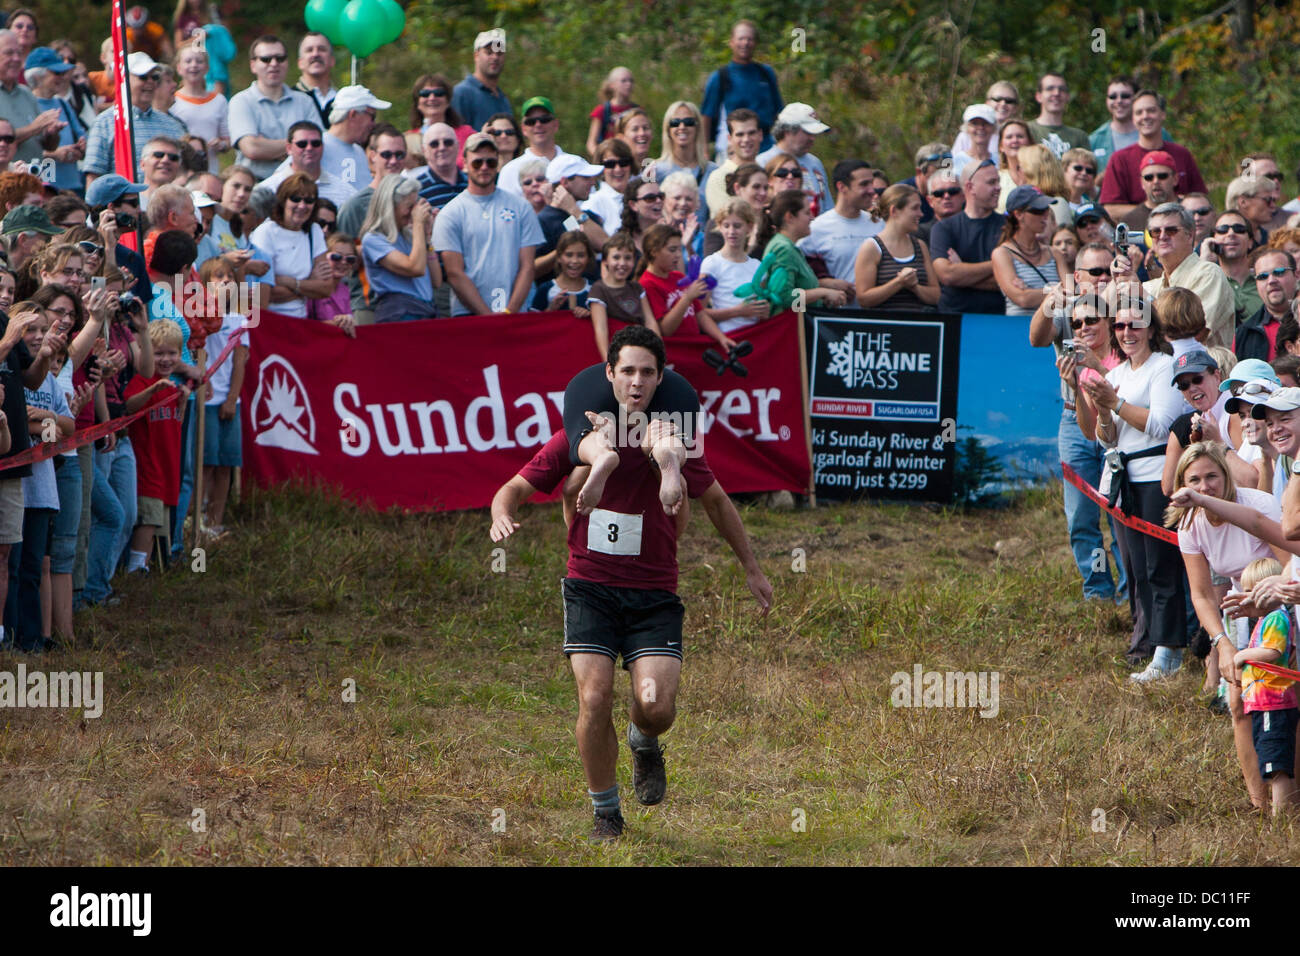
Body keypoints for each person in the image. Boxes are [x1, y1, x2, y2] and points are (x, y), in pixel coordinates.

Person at [488, 325, 772, 840]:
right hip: (590, 586)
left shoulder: (675, 432)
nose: (636, 381)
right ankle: (606, 813)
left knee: (656, 706)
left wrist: (751, 566)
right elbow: (511, 487)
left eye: (646, 372)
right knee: (595, 698)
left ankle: (644, 740)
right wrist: (500, 516)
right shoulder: (575, 434)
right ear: (610, 376)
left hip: (653, 593)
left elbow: (717, 503)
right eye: (627, 372)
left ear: (659, 378)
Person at [1166, 455, 1298, 811]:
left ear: (1226, 477)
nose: (1204, 485)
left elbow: (1289, 561)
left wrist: (1278, 610)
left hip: (1281, 604)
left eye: (1212, 476)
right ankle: (1259, 805)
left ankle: (1288, 800)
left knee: (1286, 698)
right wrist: (1221, 643)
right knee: (1239, 702)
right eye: (1194, 480)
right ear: (1183, 484)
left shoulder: (1256, 504)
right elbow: (1202, 593)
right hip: (1241, 610)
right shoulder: (1189, 524)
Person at [1076, 285, 1186, 677]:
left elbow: (1161, 425)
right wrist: (1105, 409)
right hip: (1124, 479)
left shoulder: (1163, 366)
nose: (1126, 332)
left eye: (1135, 324)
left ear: (1151, 328)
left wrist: (1115, 402)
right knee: (1137, 570)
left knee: (1161, 567)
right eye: (1120, 325)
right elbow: (1107, 436)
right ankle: (1154, 645)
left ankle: (1169, 650)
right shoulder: (1118, 372)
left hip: (1157, 476)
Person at [1030, 254, 1128, 602]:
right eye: (1096, 270)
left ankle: (1130, 593)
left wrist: (1128, 282)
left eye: (1108, 270)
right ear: (1077, 275)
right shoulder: (1068, 308)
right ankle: (1097, 592)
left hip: (1118, 422)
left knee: (1120, 514)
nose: (1104, 276)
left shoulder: (1127, 316)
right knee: (1081, 517)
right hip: (1074, 417)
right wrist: (1049, 302)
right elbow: (1037, 338)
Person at [433, 132, 542, 316]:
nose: (484, 167)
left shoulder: (521, 207)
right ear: (465, 164)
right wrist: (487, 317)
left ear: (497, 164)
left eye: (490, 162)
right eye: (477, 162)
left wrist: (510, 311)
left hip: (514, 313)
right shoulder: (450, 213)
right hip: (467, 314)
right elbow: (454, 273)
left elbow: (527, 266)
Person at [1116, 203, 1235, 349]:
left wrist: (1144, 297)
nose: (1162, 236)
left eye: (1171, 230)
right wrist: (1117, 278)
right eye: (1155, 232)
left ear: (1190, 234)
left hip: (1204, 369)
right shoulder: (1149, 287)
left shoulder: (1209, 274)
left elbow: (1194, 336)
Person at [122, 317, 188, 573]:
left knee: (157, 523)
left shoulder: (175, 388)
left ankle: (145, 567)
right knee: (146, 523)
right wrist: (153, 390)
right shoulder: (143, 381)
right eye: (159, 353)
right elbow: (129, 406)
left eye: (172, 353)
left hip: (166, 468)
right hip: (146, 468)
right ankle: (135, 570)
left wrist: (181, 398)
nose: (165, 359)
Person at [196, 260, 246, 537]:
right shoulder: (200, 317)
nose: (226, 281)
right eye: (218, 277)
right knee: (206, 462)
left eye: (230, 277)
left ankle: (215, 521)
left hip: (229, 401)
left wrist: (232, 399)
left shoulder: (239, 318)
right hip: (206, 401)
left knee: (226, 463)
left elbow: (240, 363)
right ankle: (197, 521)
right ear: (204, 285)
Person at [1099, 90, 1207, 220]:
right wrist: (1154, 210)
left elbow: (1201, 201)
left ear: (1162, 114)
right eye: (1139, 112)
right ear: (1133, 119)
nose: (1145, 116)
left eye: (1151, 110)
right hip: (1138, 232)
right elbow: (1111, 209)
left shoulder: (1182, 154)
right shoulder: (1120, 159)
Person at [83, 52, 187, 184]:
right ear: (123, 79)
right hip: (122, 202)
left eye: (154, 77)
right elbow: (93, 175)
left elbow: (184, 171)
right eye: (143, 77)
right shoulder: (105, 122)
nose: (150, 82)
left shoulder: (171, 124)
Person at [227, 35, 319, 181]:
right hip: (255, 187)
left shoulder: (305, 102)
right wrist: (297, 146)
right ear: (253, 65)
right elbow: (252, 149)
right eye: (266, 59)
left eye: (280, 58)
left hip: (298, 187)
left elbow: (317, 146)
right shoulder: (241, 101)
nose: (274, 63)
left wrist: (267, 145)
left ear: (287, 62)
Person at [742, 191, 848, 313]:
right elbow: (784, 297)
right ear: (789, 217)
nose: (812, 218)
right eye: (807, 213)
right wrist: (822, 292)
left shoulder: (790, 247)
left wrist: (821, 299)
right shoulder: (783, 248)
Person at [636, 223, 734, 350]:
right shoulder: (647, 283)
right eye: (672, 250)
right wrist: (687, 298)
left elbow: (700, 314)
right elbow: (665, 330)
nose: (678, 254)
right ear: (654, 252)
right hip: (676, 352)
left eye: (679, 249)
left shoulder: (677, 276)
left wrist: (721, 338)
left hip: (694, 347)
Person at [358, 174, 440, 323]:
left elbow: (437, 281)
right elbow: (415, 268)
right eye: (410, 207)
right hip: (399, 313)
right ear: (390, 206)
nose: (414, 212)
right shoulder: (373, 239)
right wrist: (418, 225)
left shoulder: (410, 235)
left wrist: (427, 238)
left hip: (426, 309)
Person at [250, 173, 331, 318]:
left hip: (300, 321)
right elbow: (265, 293)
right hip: (269, 319)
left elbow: (325, 288)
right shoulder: (266, 232)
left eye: (309, 200)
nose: (302, 206)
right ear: (282, 201)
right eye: (295, 199)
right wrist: (309, 284)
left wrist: (289, 282)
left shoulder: (314, 231)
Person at [930, 159, 1005, 314]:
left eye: (998, 182)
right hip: (955, 320)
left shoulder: (1008, 226)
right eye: (991, 183)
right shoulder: (944, 228)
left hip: (997, 320)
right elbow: (947, 275)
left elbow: (1012, 281)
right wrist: (999, 263)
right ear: (970, 187)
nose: (998, 188)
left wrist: (962, 272)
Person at [700, 20, 783, 156]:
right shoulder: (720, 77)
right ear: (731, 42)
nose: (745, 43)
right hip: (733, 147)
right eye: (741, 38)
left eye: (749, 39)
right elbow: (706, 116)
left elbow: (778, 111)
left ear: (755, 43)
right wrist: (704, 150)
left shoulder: (766, 73)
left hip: (766, 146)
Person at [853, 184, 939, 311]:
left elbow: (936, 296)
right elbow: (863, 299)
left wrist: (915, 287)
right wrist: (899, 282)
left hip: (918, 327)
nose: (921, 214)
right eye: (915, 208)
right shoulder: (871, 247)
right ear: (894, 211)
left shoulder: (920, 246)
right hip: (885, 328)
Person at [798, 159, 881, 288]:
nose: (871, 191)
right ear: (842, 187)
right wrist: (825, 284)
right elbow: (797, 276)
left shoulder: (879, 224)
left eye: (872, 184)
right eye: (864, 184)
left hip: (876, 307)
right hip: (836, 307)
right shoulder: (817, 228)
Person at [249, 120, 356, 216]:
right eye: (302, 144)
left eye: (315, 143)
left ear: (323, 147)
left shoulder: (346, 192)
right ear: (289, 148)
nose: (309, 148)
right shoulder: (269, 189)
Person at [992, 185, 1066, 316]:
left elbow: (1071, 292)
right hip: (1019, 330)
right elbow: (1022, 299)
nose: (1045, 215)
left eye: (1046, 209)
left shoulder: (1055, 253)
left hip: (1054, 332)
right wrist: (1057, 290)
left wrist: (1032, 292)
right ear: (1019, 214)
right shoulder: (1002, 254)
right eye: (1038, 210)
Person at [700, 198, 766, 335]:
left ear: (749, 227)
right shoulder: (711, 264)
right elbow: (699, 312)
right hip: (726, 338)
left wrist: (764, 311)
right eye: (726, 226)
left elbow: (763, 311)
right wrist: (738, 311)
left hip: (755, 339)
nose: (731, 231)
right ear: (719, 226)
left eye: (737, 226)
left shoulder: (757, 267)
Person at [25, 48, 86, 195]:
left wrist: (81, 147)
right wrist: (54, 154)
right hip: (44, 189)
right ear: (37, 76)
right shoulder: (25, 104)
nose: (63, 77)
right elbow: (20, 148)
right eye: (57, 73)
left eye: (64, 73)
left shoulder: (63, 103)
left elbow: (81, 135)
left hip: (73, 186)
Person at [588, 232, 657, 358]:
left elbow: (650, 322)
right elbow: (601, 329)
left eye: (627, 258)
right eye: (616, 257)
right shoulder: (599, 289)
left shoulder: (636, 287)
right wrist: (608, 361)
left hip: (641, 346)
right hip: (619, 350)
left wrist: (658, 353)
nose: (622, 263)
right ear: (605, 261)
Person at [756, 103, 831, 216]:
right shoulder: (763, 161)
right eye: (807, 132)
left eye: (814, 134)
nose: (812, 138)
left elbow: (827, 204)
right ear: (788, 131)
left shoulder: (815, 162)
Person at [0, 28, 62, 166]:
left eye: (19, 53)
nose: (16, 59)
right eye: (9, 53)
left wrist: (51, 133)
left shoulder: (26, 93)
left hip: (33, 180)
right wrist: (34, 127)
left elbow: (49, 147)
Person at [1088, 75, 1171, 176]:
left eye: (1125, 96)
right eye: (1113, 97)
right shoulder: (1095, 140)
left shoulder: (1159, 133)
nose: (1119, 101)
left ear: (1136, 99)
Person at [170, 43, 229, 174]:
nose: (194, 65)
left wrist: (221, 145)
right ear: (179, 68)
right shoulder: (172, 101)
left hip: (210, 170)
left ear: (207, 68)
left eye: (199, 61)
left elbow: (227, 140)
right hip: (180, 172)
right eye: (188, 61)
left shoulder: (219, 101)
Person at [498, 96, 568, 199]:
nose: (538, 125)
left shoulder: (575, 164)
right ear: (524, 129)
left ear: (556, 124)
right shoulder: (510, 170)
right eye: (531, 121)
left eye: (544, 119)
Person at [651, 102, 716, 210]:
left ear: (697, 128)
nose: (682, 127)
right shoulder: (654, 170)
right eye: (675, 122)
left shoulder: (713, 172)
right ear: (668, 129)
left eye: (688, 122)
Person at [1235, 249, 1297, 362]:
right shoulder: (1244, 333)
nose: (1271, 281)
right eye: (1263, 276)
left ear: (1296, 275)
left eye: (1279, 272)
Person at [1202, 210, 1259, 323]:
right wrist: (1204, 263)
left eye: (1239, 229)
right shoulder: (1207, 281)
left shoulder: (1265, 280)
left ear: (1250, 242)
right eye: (1223, 229)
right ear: (1212, 240)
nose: (1231, 234)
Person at [703, 108, 761, 218]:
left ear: (760, 135)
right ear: (729, 139)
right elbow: (727, 220)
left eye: (751, 133)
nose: (746, 139)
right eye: (740, 134)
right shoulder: (718, 178)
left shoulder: (767, 172)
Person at [451, 29, 510, 130]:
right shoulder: (462, 93)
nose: (495, 57)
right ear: (476, 55)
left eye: (499, 53)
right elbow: (456, 137)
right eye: (489, 52)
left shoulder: (502, 98)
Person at [303, 231, 358, 336]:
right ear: (324, 256)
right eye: (337, 257)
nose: (343, 262)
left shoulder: (346, 290)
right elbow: (302, 323)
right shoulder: (312, 285)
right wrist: (336, 323)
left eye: (350, 259)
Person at [407, 73, 472, 159]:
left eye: (438, 93)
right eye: (425, 94)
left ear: (448, 101)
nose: (432, 98)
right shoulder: (407, 140)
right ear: (417, 103)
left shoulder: (467, 134)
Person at [1026, 72, 1089, 159]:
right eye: (1050, 88)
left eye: (1062, 89)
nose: (1056, 93)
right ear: (1038, 96)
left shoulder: (1079, 137)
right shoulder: (1026, 130)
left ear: (1067, 96)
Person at [952, 81, 1018, 162]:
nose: (1003, 104)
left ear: (1016, 107)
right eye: (997, 99)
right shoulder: (965, 136)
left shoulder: (1018, 137)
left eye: (1009, 101)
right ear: (987, 102)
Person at [531, 230, 594, 315]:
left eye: (580, 255)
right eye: (569, 255)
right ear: (559, 257)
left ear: (588, 258)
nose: (574, 261)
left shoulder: (594, 289)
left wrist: (590, 315)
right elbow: (533, 323)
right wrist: (550, 309)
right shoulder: (546, 289)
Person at [582, 138, 636, 234]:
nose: (618, 169)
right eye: (610, 164)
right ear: (600, 168)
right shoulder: (593, 203)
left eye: (623, 162)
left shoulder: (642, 197)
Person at [586, 67, 637, 159]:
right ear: (612, 85)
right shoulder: (602, 110)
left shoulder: (636, 110)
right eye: (623, 81)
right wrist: (603, 159)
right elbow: (591, 143)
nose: (628, 84)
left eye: (631, 81)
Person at [1017, 145, 1072, 229]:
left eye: (1019, 167)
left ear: (1031, 172)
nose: (1016, 172)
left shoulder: (1057, 205)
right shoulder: (1021, 203)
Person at [294, 32, 337, 128]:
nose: (315, 54)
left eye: (322, 49)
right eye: (309, 50)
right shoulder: (289, 98)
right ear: (300, 63)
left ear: (332, 60)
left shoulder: (343, 99)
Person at [1227, 174, 1280, 248]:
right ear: (1243, 202)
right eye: (1267, 200)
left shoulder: (1271, 240)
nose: (1273, 206)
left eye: (1273, 200)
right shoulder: (1224, 241)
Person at [616, 175, 663, 257]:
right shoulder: (620, 242)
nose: (658, 201)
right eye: (650, 198)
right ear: (633, 205)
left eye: (661, 196)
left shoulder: (668, 237)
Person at [660, 171, 704, 258]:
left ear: (696, 203)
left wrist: (688, 247)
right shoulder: (654, 233)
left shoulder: (701, 238)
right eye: (677, 198)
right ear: (664, 200)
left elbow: (700, 271)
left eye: (688, 199)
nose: (683, 203)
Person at [916, 167, 963, 245]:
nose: (947, 196)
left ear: (963, 196)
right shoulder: (920, 234)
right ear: (930, 201)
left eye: (953, 191)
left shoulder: (978, 226)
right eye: (939, 193)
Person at [994, 119, 1032, 211]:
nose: (1015, 140)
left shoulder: (1040, 176)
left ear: (1029, 142)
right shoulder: (996, 178)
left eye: (1020, 136)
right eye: (1009, 137)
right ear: (1001, 146)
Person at [951, 104, 996, 179]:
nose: (981, 128)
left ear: (993, 128)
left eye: (985, 123)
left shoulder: (1000, 160)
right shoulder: (955, 161)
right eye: (975, 124)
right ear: (966, 127)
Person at [614, 107, 654, 171]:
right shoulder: (617, 173)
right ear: (620, 138)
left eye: (645, 128)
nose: (642, 133)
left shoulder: (658, 170)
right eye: (635, 129)